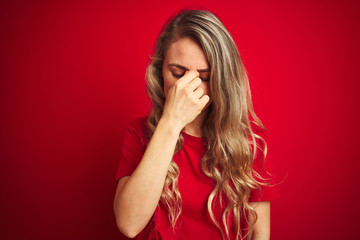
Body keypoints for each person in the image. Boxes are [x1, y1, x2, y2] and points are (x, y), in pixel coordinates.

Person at [113, 9, 279, 240]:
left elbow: (259, 234)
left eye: (204, 77)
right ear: (161, 71)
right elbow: (129, 224)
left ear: (222, 78)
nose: (188, 88)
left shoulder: (251, 141)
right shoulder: (138, 134)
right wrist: (171, 123)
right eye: (178, 73)